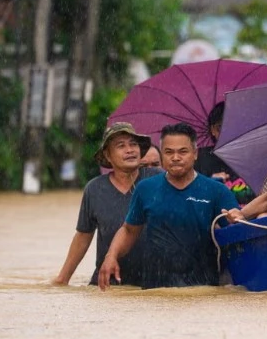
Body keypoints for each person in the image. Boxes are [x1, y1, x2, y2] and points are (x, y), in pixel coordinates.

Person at [98, 122, 240, 290]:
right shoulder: (146, 189)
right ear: (162, 155)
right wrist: (111, 256)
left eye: (183, 151)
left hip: (203, 291)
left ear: (195, 154)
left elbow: (236, 236)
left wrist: (235, 220)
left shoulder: (216, 191)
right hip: (155, 291)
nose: (175, 157)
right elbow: (129, 230)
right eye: (169, 152)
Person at [52, 122, 162, 286]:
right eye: (121, 146)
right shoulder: (95, 189)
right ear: (108, 155)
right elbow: (83, 236)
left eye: (133, 144)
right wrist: (62, 279)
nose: (130, 150)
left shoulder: (158, 180)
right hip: (108, 283)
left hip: (152, 283)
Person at [194, 101, 255, 204]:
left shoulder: (253, 157)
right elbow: (191, 197)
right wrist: (209, 184)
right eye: (220, 127)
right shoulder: (198, 158)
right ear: (212, 130)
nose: (226, 132)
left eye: (232, 126)